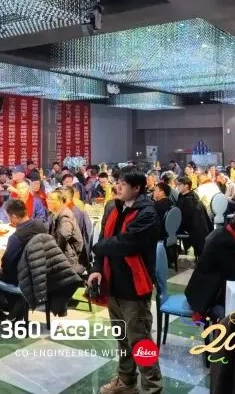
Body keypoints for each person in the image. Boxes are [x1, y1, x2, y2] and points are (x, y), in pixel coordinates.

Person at [88, 169, 162, 394]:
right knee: (122, 338)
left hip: (134, 286)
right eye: (116, 182)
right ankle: (126, 381)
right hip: (113, 282)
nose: (117, 187)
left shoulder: (147, 213)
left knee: (140, 341)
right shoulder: (114, 206)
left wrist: (97, 248)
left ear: (137, 188)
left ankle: (152, 388)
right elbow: (105, 237)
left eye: (122, 183)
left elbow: (126, 243)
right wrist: (97, 268)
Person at [186, 213, 235, 321]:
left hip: (201, 285)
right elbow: (232, 274)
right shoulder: (227, 243)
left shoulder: (224, 232)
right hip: (204, 295)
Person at [0, 199, 47, 319]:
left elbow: (6, 264)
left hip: (23, 276)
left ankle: (7, 311)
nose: (9, 220)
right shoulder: (39, 225)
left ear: (14, 217)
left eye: (8, 217)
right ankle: (16, 309)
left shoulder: (16, 237)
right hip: (42, 270)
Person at [46, 189, 86, 276]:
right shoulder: (55, 214)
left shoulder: (65, 216)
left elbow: (63, 236)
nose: (48, 201)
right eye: (48, 198)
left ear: (60, 201)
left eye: (51, 199)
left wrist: (53, 253)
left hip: (67, 260)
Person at [174, 175, 210, 259]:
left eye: (179, 185)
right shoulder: (185, 196)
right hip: (193, 227)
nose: (177, 187)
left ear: (186, 186)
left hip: (192, 229)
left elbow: (185, 218)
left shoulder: (190, 200)